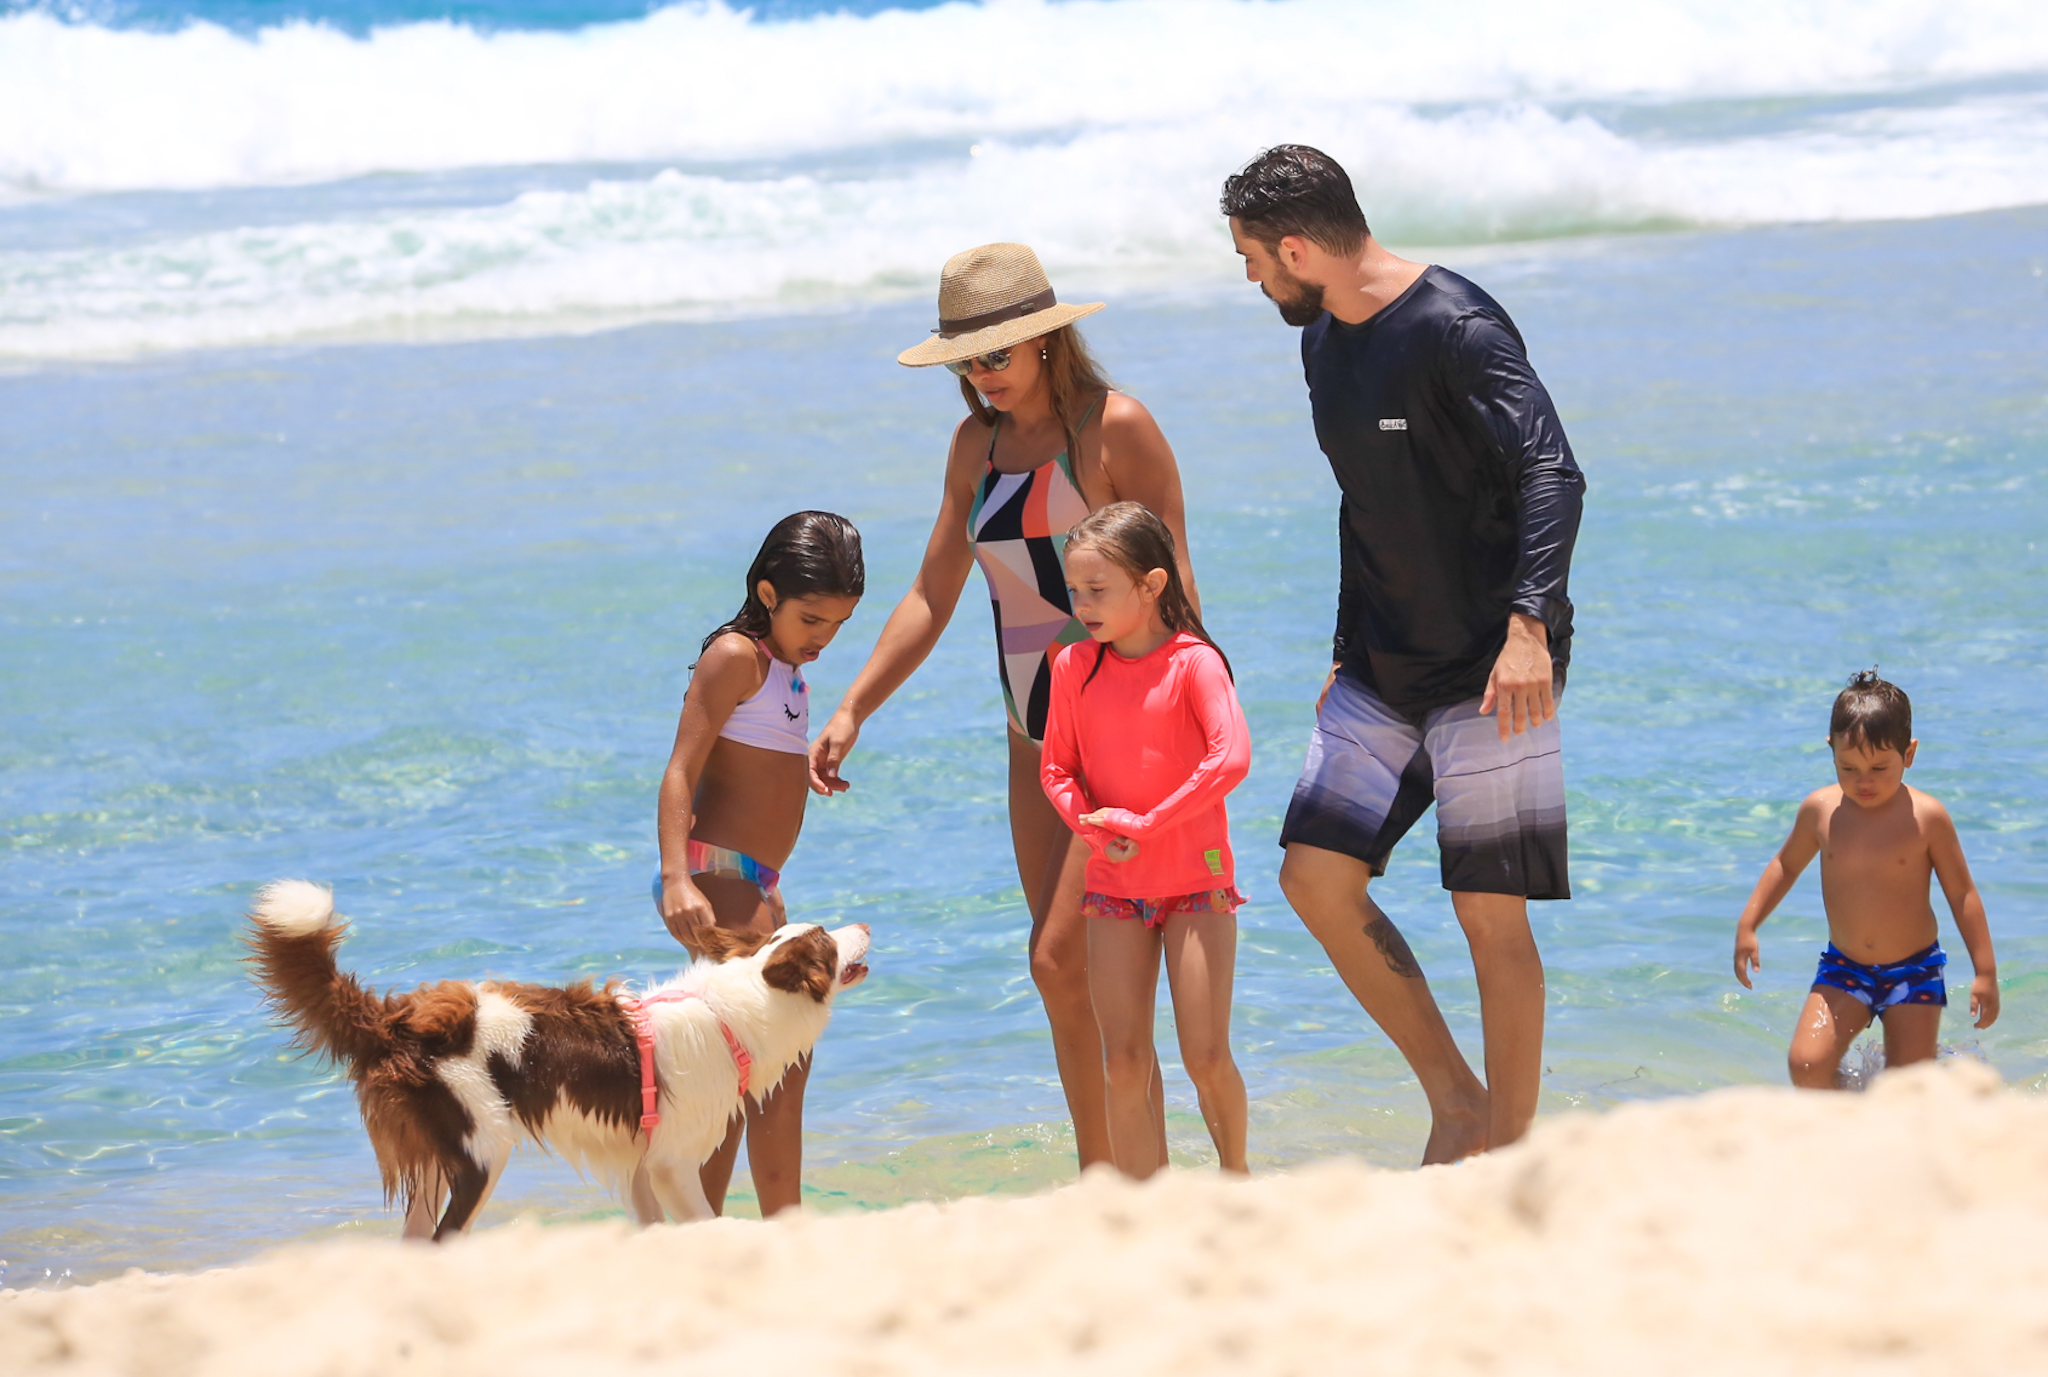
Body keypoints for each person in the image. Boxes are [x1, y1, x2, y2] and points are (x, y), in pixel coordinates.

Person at [1220, 145, 1586, 1162]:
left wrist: (1526, 629)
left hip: (1488, 666)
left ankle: (1510, 1155)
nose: (1252, 278)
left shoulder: (1454, 328)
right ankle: (1456, 1102)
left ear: (1297, 247)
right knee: (1313, 879)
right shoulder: (1322, 343)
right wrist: (1344, 645)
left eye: (1253, 258)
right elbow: (1363, 499)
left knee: (1485, 911)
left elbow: (1552, 473)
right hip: (1380, 665)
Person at [809, 243, 1199, 1170]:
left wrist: (1182, 729)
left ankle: (1135, 1171)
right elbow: (933, 592)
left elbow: (1175, 586)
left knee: (1069, 959)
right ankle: (1111, 1172)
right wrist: (854, 705)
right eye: (967, 361)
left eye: (996, 355)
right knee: (1065, 972)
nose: (982, 376)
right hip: (1034, 740)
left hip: (1123, 733)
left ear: (1046, 343)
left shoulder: (1116, 430)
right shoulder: (974, 449)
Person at [652, 510, 864, 1216]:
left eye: (836, 625)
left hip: (762, 882)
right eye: (812, 620)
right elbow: (681, 770)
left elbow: (749, 758)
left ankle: (725, 1228)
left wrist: (797, 767)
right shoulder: (735, 655)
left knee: (748, 1071)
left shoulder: (783, 667)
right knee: (765, 1065)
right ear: (768, 594)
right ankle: (772, 1225)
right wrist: (677, 876)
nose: (822, 639)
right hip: (716, 874)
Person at [1040, 502, 1251, 1178]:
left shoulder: (1196, 663)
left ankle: (1238, 1178)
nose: (1083, 605)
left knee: (1205, 1056)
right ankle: (1141, 1208)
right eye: (1075, 591)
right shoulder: (1073, 664)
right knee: (1123, 1060)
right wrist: (1091, 824)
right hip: (1115, 883)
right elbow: (1057, 768)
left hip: (1196, 879)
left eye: (1097, 590)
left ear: (1152, 584)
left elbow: (1231, 758)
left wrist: (1146, 822)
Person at [1733, 671, 1998, 1088]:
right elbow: (1784, 866)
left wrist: (1985, 971)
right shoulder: (1820, 811)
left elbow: (1961, 894)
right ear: (1831, 750)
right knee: (1806, 1067)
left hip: (1915, 971)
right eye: (1848, 767)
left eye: (1879, 767)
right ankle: (1852, 1116)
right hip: (1844, 968)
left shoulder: (1927, 818)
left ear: (1909, 754)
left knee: (1908, 1086)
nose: (1864, 781)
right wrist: (1748, 924)